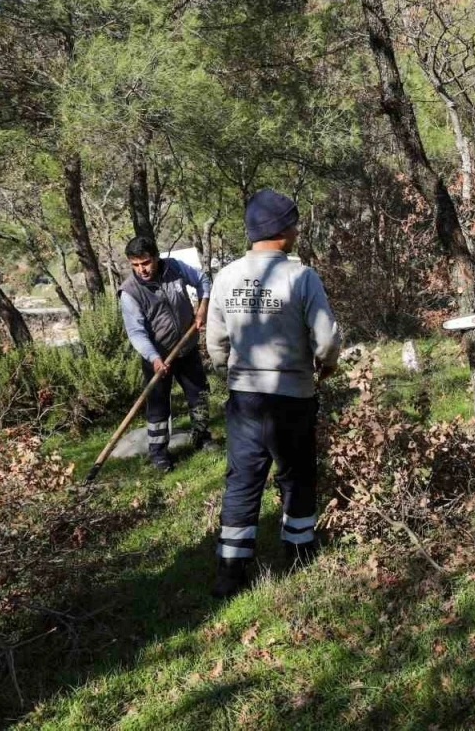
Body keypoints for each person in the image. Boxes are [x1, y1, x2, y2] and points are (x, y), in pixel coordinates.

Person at [206, 189, 342, 599]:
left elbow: (215, 342)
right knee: (297, 474)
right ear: (282, 231)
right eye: (295, 224)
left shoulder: (226, 276)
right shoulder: (302, 277)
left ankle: (231, 570)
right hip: (292, 396)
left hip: (244, 398)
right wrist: (327, 363)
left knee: (242, 480)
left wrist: (229, 369)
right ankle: (299, 553)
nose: (297, 230)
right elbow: (327, 338)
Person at [119, 236, 213, 472]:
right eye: (136, 265)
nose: (142, 270)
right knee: (158, 405)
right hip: (156, 356)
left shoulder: (176, 268)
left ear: (156, 257)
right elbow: (136, 332)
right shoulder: (129, 292)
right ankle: (159, 453)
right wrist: (154, 358)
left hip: (187, 347)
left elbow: (203, 280)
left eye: (146, 263)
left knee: (198, 393)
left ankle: (202, 436)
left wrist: (202, 308)